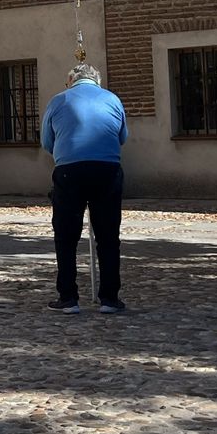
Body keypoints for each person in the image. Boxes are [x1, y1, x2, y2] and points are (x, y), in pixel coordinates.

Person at [40, 63, 128, 315]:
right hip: (107, 170)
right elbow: (122, 137)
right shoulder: (112, 99)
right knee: (108, 236)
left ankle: (68, 298)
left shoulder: (58, 101)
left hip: (70, 171)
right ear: (97, 81)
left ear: (70, 81)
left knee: (66, 236)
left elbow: (47, 141)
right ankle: (110, 298)